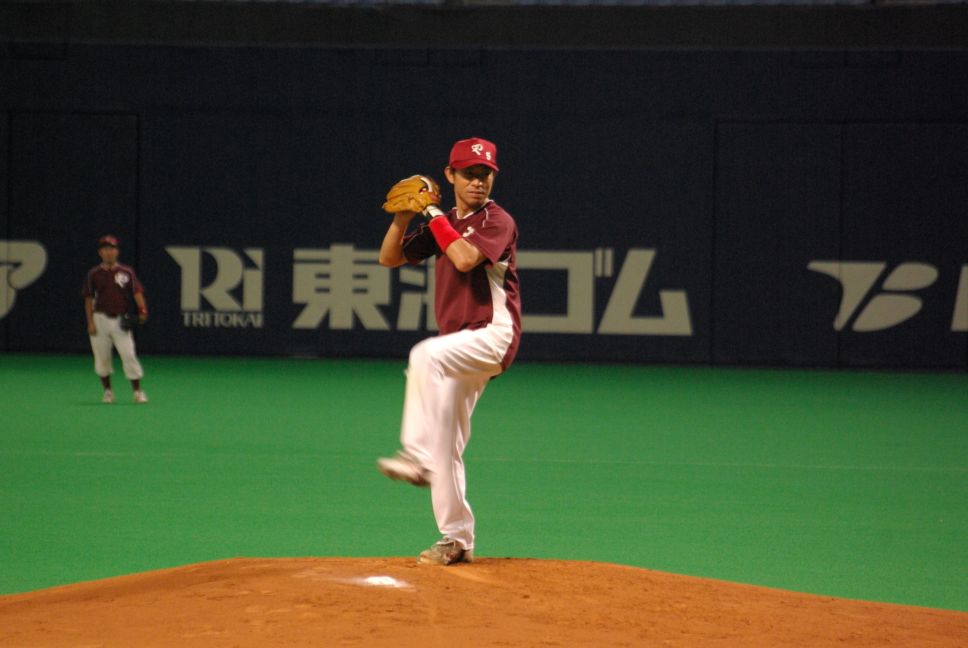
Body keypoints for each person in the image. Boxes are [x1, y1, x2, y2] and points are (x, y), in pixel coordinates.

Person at [376, 137, 521, 565]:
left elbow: (463, 258)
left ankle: (414, 455)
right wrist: (403, 218)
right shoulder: (447, 221)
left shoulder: (497, 220)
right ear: (450, 175)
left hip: (492, 334)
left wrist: (433, 213)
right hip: (460, 345)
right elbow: (390, 258)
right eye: (470, 174)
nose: (478, 182)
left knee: (425, 355)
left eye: (485, 174)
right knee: (447, 441)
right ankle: (456, 539)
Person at [81, 235, 149, 404]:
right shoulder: (94, 274)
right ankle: (108, 392)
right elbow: (88, 299)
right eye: (105, 249)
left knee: (129, 355)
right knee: (102, 358)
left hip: (120, 319)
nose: (109, 252)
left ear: (117, 252)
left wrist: (142, 310)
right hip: (100, 319)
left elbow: (137, 292)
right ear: (100, 252)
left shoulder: (127, 272)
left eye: (112, 249)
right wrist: (90, 322)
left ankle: (137, 391)